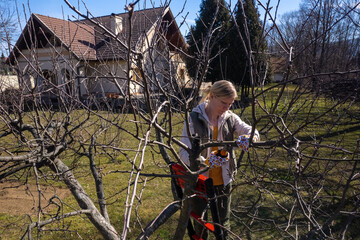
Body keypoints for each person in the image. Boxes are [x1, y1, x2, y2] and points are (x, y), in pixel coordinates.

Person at [179, 80, 260, 239]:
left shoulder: (230, 118)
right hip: (200, 181)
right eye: (224, 103)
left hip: (223, 180)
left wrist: (251, 138)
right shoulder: (194, 119)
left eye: (230, 104)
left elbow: (250, 130)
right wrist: (206, 162)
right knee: (201, 223)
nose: (227, 107)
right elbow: (184, 153)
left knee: (223, 223)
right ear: (212, 96)